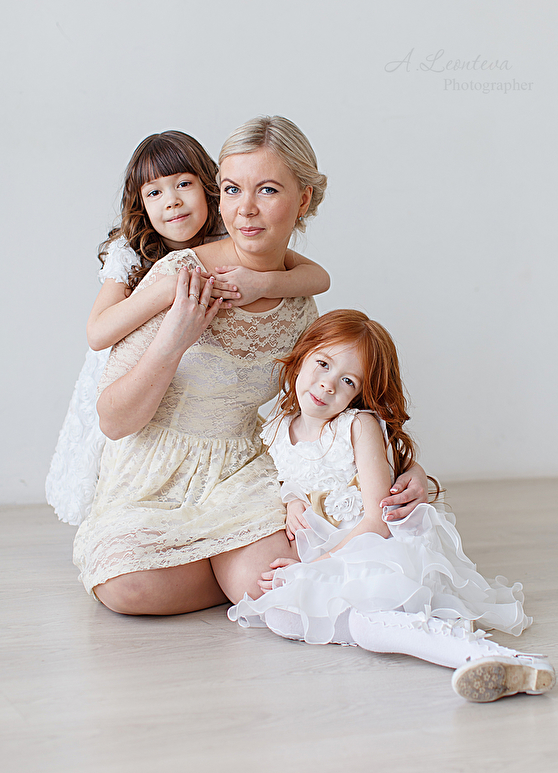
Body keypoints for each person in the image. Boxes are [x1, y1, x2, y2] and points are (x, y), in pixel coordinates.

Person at [73, 116, 431, 617]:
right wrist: (175, 339)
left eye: (267, 190)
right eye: (232, 189)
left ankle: (235, 568)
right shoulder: (178, 274)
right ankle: (222, 567)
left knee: (267, 586)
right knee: (129, 589)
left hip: (244, 471)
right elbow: (113, 421)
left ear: (302, 200)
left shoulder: (300, 302)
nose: (245, 208)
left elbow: (338, 402)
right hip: (154, 472)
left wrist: (408, 468)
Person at [228, 310, 556, 703]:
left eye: (347, 381)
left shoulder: (357, 426)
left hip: (371, 548)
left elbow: (376, 521)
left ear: (358, 394)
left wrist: (311, 569)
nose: (327, 384)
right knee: (280, 616)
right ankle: (400, 628)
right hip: (327, 554)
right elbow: (278, 479)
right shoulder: (275, 428)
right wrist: (291, 500)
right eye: (323, 364)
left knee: (362, 624)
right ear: (302, 356)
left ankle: (492, 657)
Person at [46, 130, 331, 526]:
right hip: (122, 365)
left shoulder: (234, 232)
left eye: (183, 184)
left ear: (210, 188)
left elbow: (319, 278)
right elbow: (98, 334)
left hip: (205, 410)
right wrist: (167, 288)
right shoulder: (131, 250)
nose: (172, 201)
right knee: (97, 464)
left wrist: (264, 283)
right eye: (154, 192)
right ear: (141, 204)